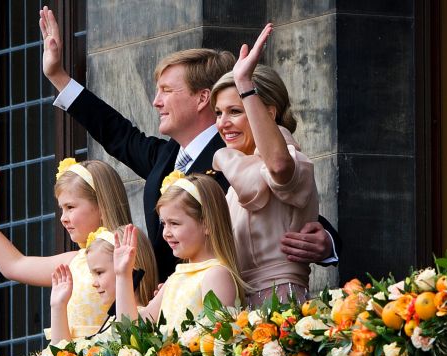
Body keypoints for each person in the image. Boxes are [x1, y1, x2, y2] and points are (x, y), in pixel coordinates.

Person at [38, 6, 339, 282]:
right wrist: (58, 76)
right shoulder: (165, 156)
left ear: (202, 98)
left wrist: (327, 241)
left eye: (167, 90)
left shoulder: (239, 152)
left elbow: (284, 197)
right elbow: (117, 134)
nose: (156, 102)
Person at [211, 24, 316, 356]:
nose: (223, 123)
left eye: (234, 110)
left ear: (267, 111)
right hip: (241, 319)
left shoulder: (293, 160)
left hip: (282, 309)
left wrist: (246, 85)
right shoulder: (235, 178)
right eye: (218, 113)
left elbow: (274, 169)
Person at [0, 158, 157, 343]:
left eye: (70, 207)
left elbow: (134, 326)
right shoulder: (75, 260)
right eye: (61, 209)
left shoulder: (126, 251)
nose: (63, 218)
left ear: (101, 205)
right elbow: (14, 265)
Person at [112, 173, 245, 335]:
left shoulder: (216, 274)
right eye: (163, 224)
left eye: (174, 223)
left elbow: (217, 344)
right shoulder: (176, 277)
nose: (166, 233)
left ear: (207, 223)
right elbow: (130, 331)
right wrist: (123, 275)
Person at [48, 225, 158, 344]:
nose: (94, 284)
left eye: (99, 272)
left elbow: (128, 342)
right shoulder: (110, 322)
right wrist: (58, 306)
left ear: (130, 266)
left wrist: (123, 274)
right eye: (92, 274)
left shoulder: (145, 318)